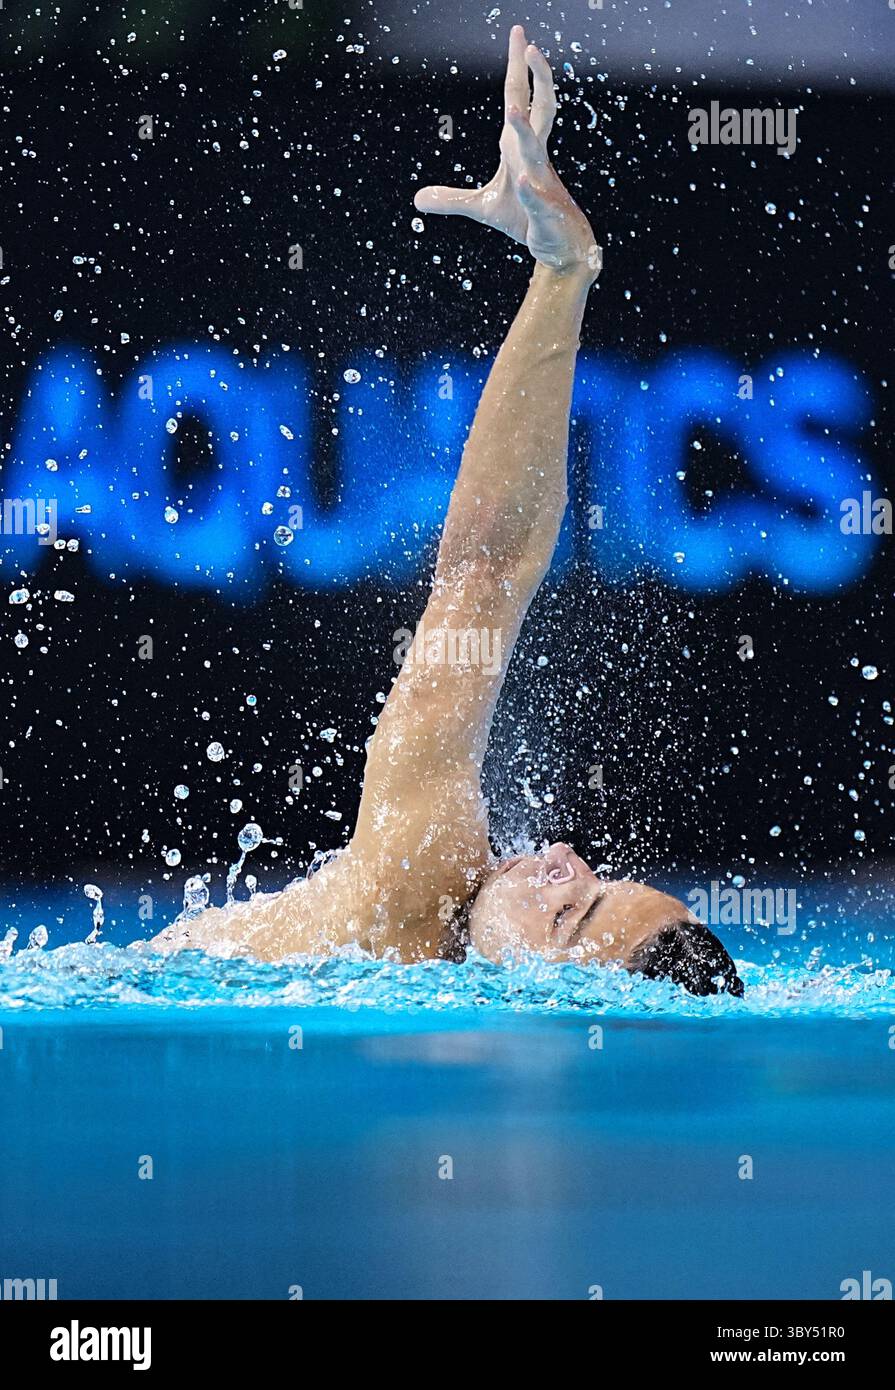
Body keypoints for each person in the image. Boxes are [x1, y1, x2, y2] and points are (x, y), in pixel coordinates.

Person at [153, 27, 744, 1000]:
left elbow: (483, 568)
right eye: (593, 876)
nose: (561, 859)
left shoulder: (413, 893)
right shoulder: (431, 957)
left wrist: (564, 272)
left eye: (573, 908)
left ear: (546, 988)